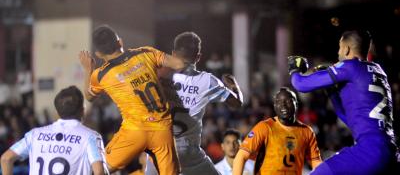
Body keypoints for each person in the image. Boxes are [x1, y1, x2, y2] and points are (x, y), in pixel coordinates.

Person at [288, 30, 399, 175]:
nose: (338, 52)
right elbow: (350, 119)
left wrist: (294, 69)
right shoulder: (379, 72)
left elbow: (300, 84)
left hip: (368, 152)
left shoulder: (349, 66)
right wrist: (332, 92)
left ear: (347, 49)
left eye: (340, 47)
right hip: (391, 155)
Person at [79, 25, 184, 174]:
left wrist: (88, 70)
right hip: (162, 130)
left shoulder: (101, 74)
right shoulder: (146, 53)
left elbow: (88, 97)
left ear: (98, 54)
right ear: (120, 42)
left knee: (95, 170)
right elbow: (179, 64)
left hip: (134, 131)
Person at [145, 31, 243, 175]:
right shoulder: (207, 81)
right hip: (187, 152)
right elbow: (237, 103)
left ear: (173, 53)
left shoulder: (158, 75)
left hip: (158, 149)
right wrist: (234, 86)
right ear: (198, 57)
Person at [0, 86, 107, 175]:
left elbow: (6, 159)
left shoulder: (34, 135)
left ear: (57, 111)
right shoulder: (90, 137)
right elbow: (99, 171)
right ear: (82, 110)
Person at [233, 87, 322, 175]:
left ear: (296, 104)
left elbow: (315, 161)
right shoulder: (265, 127)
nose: (283, 105)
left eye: (288, 101)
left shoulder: (307, 131)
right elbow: (241, 156)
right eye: (278, 102)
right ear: (274, 106)